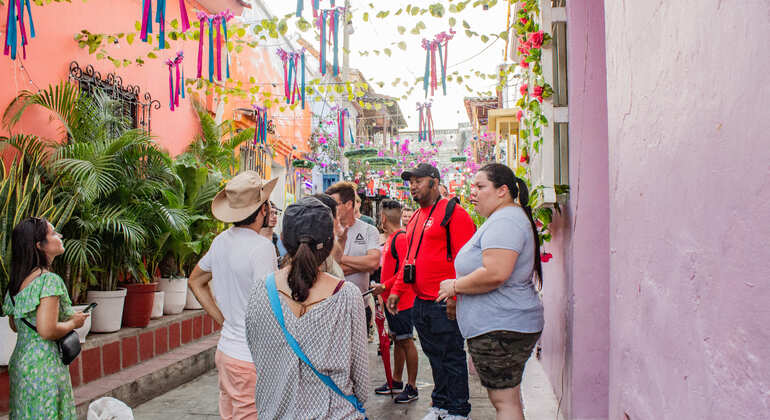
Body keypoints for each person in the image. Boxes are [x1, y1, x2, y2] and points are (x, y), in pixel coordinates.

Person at [436, 163, 544, 420]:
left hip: (502, 327)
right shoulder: (504, 218)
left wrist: (454, 286)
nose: (473, 192)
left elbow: (495, 272)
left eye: (480, 186)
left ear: (502, 190)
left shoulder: (506, 220)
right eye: (472, 186)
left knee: (504, 402)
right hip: (502, 325)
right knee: (509, 400)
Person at [245, 197, 368, 419]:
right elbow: (361, 379)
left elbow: (259, 359)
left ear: (283, 240)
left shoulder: (259, 291)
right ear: (330, 243)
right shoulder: (347, 295)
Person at [388, 163, 476, 420]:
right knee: (435, 358)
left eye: (418, 181)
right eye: (410, 182)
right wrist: (397, 290)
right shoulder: (415, 217)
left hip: (444, 301)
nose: (413, 186)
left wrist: (457, 297)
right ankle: (441, 404)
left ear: (434, 183)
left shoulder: (454, 213)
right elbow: (409, 260)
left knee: (452, 357)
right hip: (421, 302)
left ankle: (459, 410)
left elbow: (467, 260)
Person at [188, 170, 278, 420]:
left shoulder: (220, 242)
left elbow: (196, 281)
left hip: (227, 351)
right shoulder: (261, 248)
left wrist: (224, 320)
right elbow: (268, 307)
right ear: (262, 210)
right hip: (250, 357)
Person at [2, 217, 89, 420]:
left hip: (21, 363)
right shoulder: (48, 281)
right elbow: (47, 330)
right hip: (44, 365)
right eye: (53, 233)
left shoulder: (16, 283)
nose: (59, 236)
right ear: (39, 245)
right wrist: (73, 323)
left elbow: (16, 325)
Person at [372, 200, 419, 403]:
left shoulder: (400, 238)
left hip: (402, 301)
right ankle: (397, 381)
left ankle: (413, 386)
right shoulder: (393, 238)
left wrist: (385, 287)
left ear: (382, 217)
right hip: (392, 300)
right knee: (399, 341)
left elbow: (405, 270)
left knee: (407, 341)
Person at [325, 182, 381, 331]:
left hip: (360, 305)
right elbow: (324, 270)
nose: (330, 209)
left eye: (334, 204)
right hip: (330, 305)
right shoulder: (324, 230)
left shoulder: (369, 229)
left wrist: (338, 259)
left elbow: (374, 263)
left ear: (349, 204)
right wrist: (361, 267)